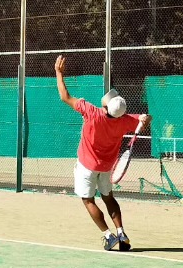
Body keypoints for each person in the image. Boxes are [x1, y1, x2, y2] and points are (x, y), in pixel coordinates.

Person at [55, 55, 149, 251]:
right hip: (106, 168)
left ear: (106, 107)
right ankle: (121, 233)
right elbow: (143, 119)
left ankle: (108, 236)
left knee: (88, 200)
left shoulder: (91, 112)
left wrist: (59, 73)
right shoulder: (124, 121)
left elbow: (64, 96)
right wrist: (144, 118)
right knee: (108, 197)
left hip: (87, 167)